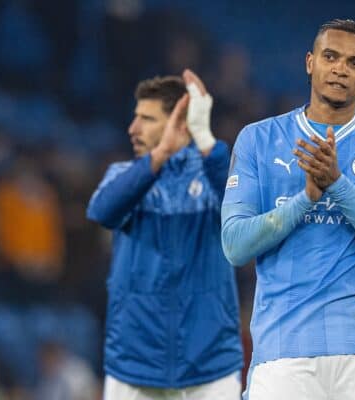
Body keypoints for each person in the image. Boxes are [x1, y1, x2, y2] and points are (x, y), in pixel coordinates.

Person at [222, 19, 355, 400]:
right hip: (283, 354)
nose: (340, 69)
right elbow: (234, 245)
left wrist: (337, 185)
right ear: (310, 62)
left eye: (354, 63)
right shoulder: (259, 140)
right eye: (331, 57)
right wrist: (305, 199)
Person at [87, 70, 243, 400]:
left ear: (179, 123)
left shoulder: (218, 175)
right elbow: (103, 211)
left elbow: (239, 210)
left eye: (146, 119)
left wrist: (204, 138)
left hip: (210, 365)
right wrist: (158, 157)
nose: (133, 129)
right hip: (134, 365)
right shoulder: (124, 176)